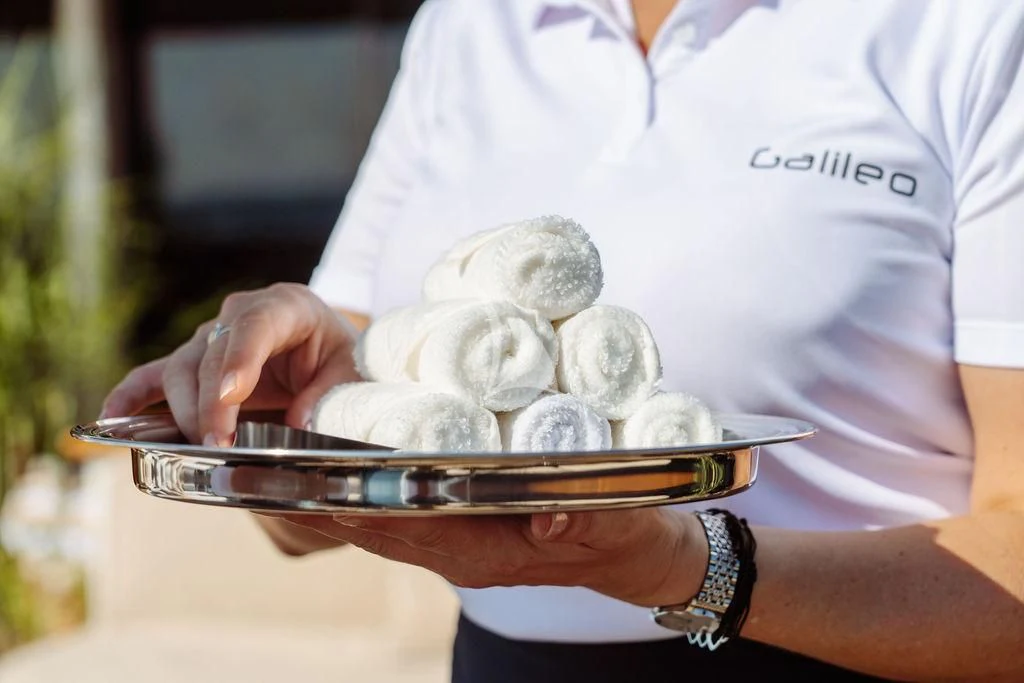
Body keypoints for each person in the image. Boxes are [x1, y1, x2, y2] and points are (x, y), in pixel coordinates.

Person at [100, 1, 1024, 680]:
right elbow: (305, 509)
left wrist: (692, 566)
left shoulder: (968, 28)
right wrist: (280, 415)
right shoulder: (468, 28)